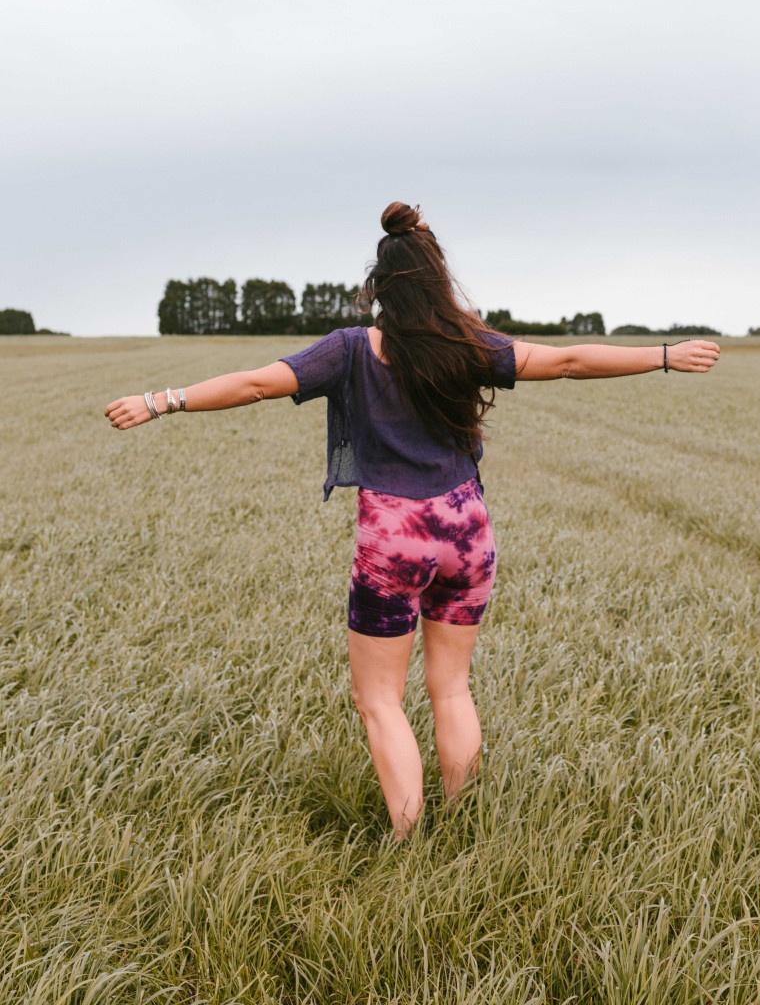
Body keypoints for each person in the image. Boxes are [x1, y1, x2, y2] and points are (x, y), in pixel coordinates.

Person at [105, 202, 720, 839]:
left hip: (395, 541)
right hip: (467, 530)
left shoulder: (348, 350)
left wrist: (161, 401)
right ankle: (466, 824)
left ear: (380, 288)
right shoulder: (469, 344)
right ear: (437, 280)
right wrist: (666, 355)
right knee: (452, 689)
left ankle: (407, 842)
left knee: (380, 700)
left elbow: (257, 384)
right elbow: (566, 361)